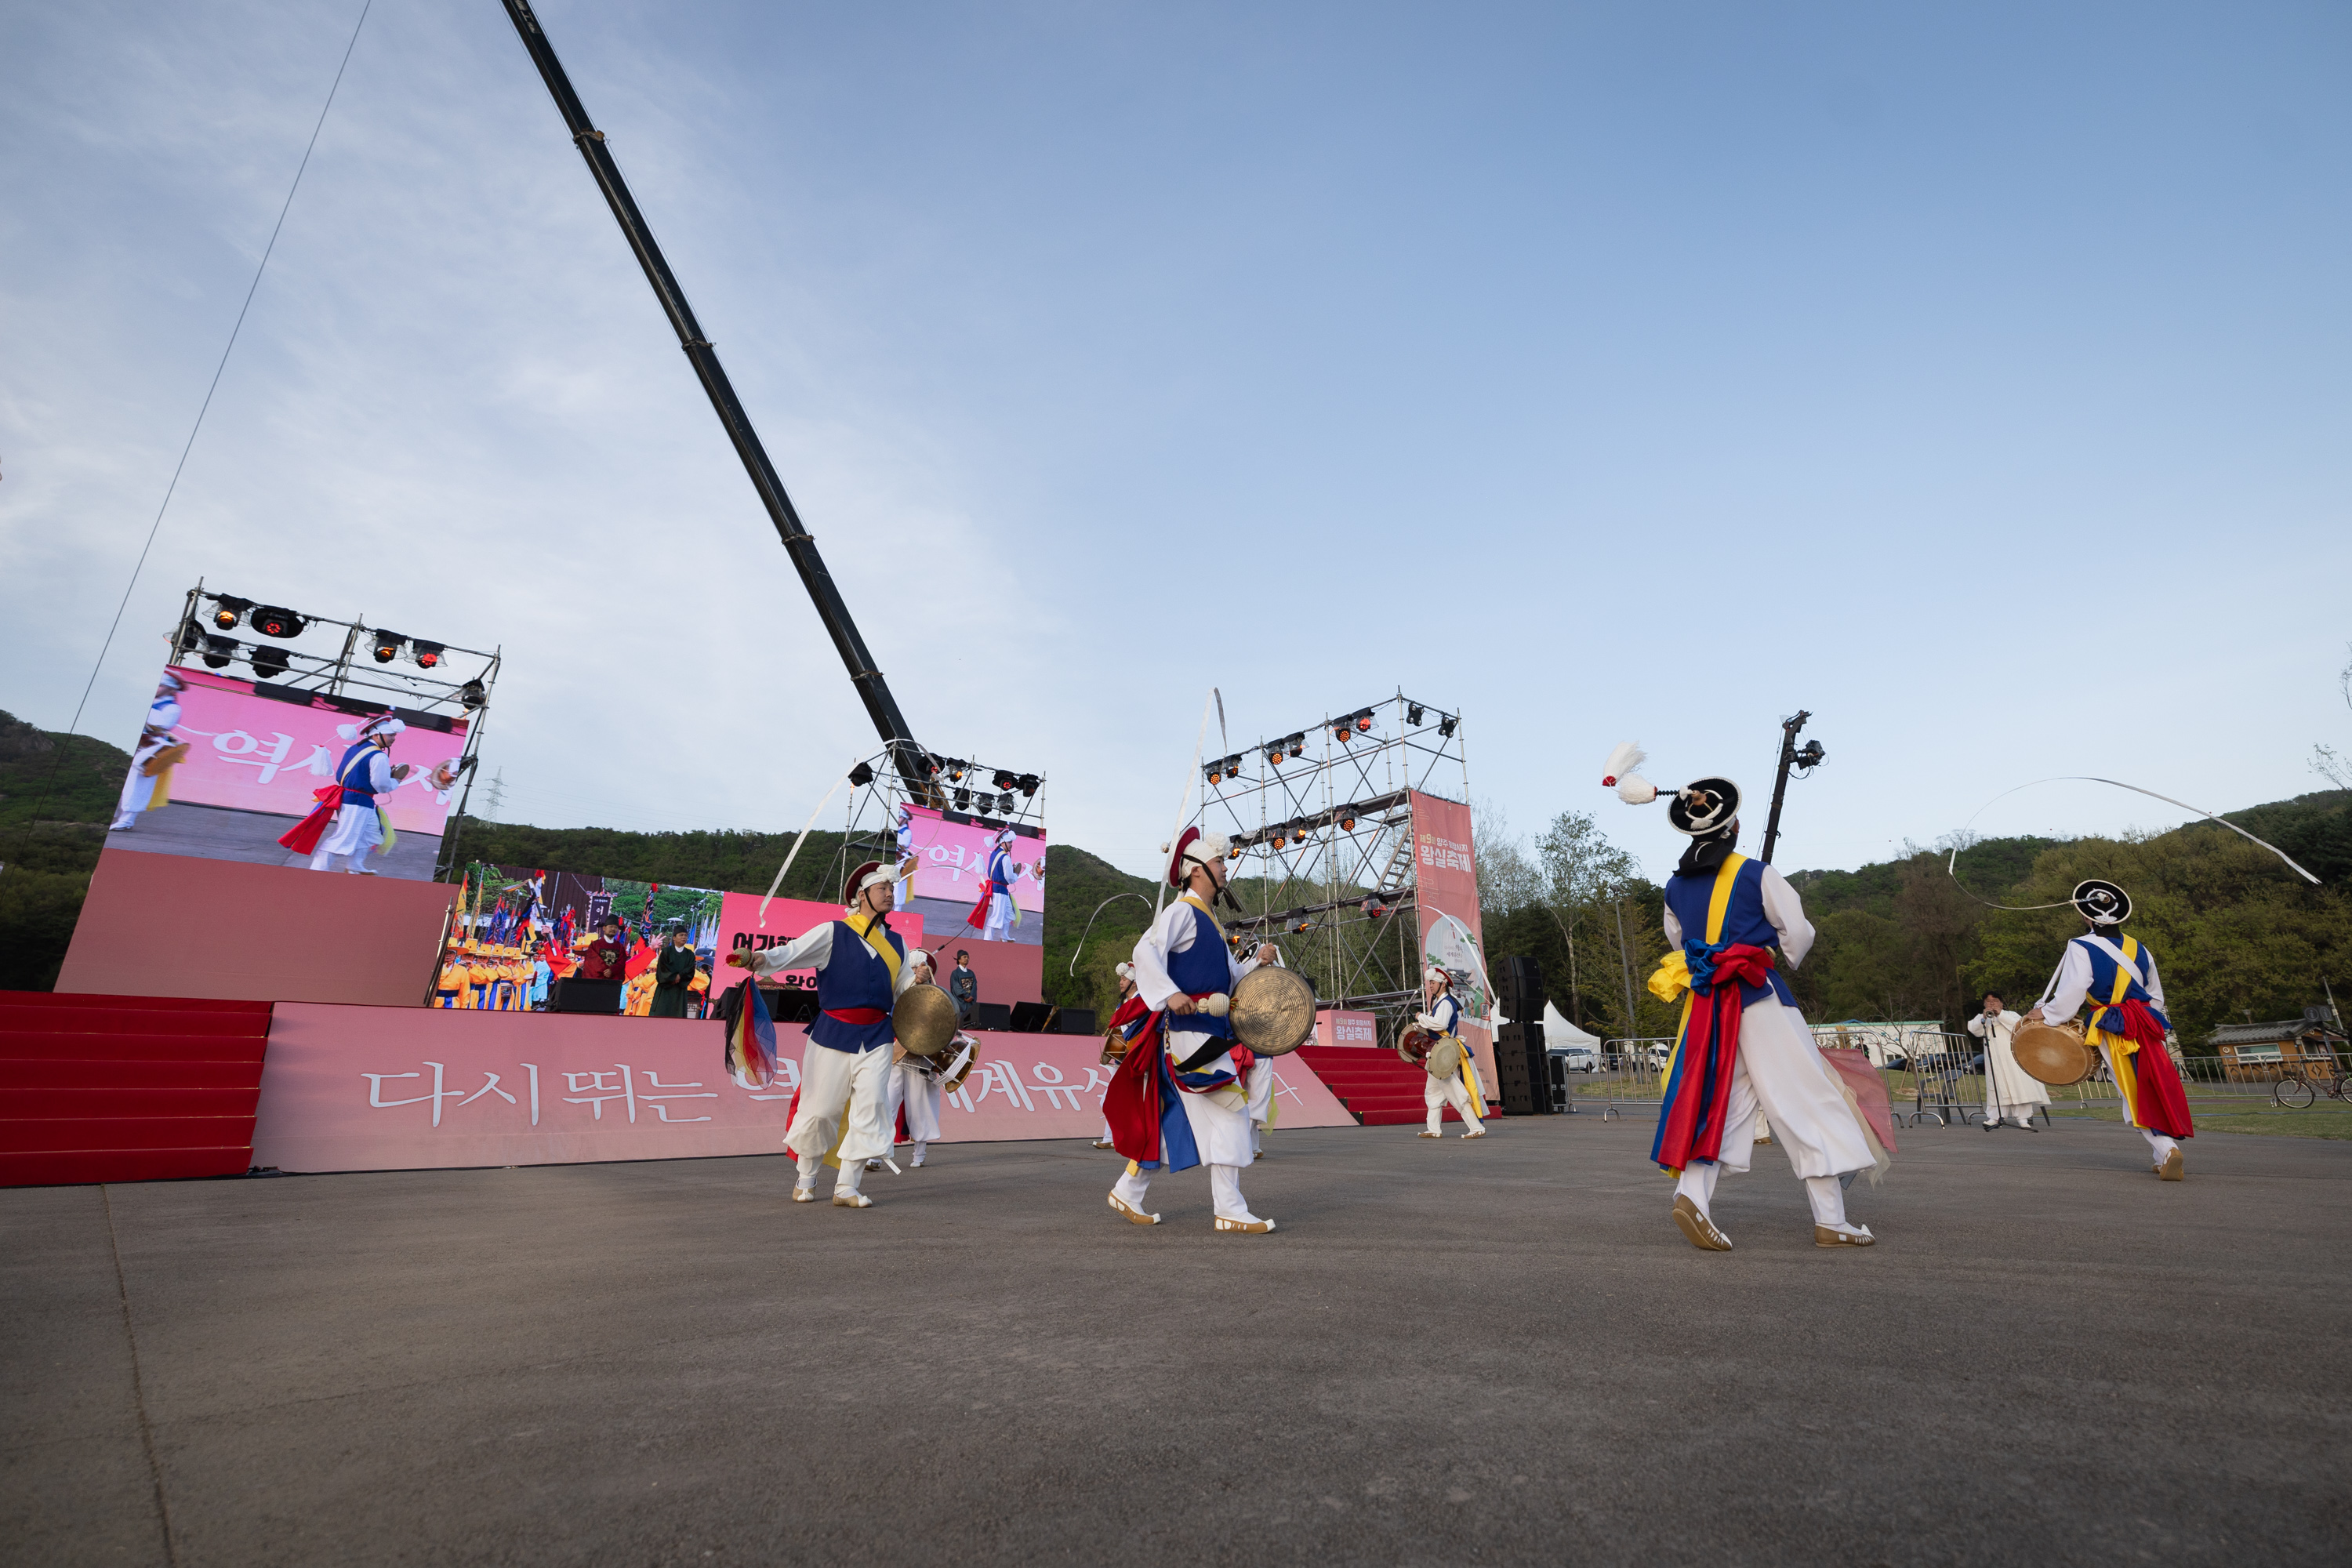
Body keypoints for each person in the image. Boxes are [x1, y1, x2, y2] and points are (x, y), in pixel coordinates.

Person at [1614, 765, 1882, 1251]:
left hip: (1708, 1005)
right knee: (1806, 1099)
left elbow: (1681, 941)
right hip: (1759, 998)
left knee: (1725, 1106)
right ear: (1732, 826)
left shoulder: (1674, 888)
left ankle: (1691, 1195)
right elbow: (1797, 932)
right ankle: (1832, 1220)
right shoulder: (1757, 872)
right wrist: (1778, 951)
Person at [1102, 827, 1280, 1233]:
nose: (1224, 869)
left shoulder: (1209, 920)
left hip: (1206, 1032)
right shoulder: (1182, 911)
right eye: (1219, 863)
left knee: (1175, 1121)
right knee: (1233, 1115)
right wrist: (1169, 993)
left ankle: (1129, 1190)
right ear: (1197, 871)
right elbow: (1144, 950)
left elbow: (1230, 978)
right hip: (1191, 1036)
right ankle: (1230, 1210)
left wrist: (1258, 964)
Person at [724, 862, 925, 1208]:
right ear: (862, 896)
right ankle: (806, 1179)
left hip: (878, 1035)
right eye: (883, 889)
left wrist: (916, 983)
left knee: (873, 1107)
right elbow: (792, 952)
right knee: (820, 1109)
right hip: (832, 1031)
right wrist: (759, 958)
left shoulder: (897, 943)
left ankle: (847, 1187)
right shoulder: (834, 931)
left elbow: (903, 988)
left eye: (892, 890)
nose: (891, 894)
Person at [2025, 880, 2193, 1179]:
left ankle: (2167, 1149)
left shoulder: (2081, 945)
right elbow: (2155, 995)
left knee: (2132, 1088)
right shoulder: (2140, 948)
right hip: (2147, 1023)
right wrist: (2148, 1019)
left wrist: (2048, 1013)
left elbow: (2075, 988)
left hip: (2114, 1024)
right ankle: (2161, 1155)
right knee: (2153, 1082)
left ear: (2085, 914)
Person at [289, 715, 411, 873]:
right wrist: (396, 780)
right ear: (376, 735)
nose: (394, 738)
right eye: (391, 735)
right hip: (357, 801)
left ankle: (355, 866)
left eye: (394, 735)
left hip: (355, 799)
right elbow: (381, 785)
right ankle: (317, 870)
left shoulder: (357, 748)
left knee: (372, 833)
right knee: (343, 839)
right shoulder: (378, 756)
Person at [1413, 966, 1488, 1141]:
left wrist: (1420, 1017)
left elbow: (1440, 1025)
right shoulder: (1441, 1003)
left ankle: (1476, 1127)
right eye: (1430, 982)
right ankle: (1433, 1129)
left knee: (1454, 1091)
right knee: (1432, 1092)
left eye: (1433, 982)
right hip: (1438, 1052)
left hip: (1444, 1054)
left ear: (1443, 984)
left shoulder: (1446, 1003)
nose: (1430, 985)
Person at [109, 675, 187, 831]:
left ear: (171, 689)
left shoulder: (172, 708)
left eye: (161, 685)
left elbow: (161, 726)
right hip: (131, 743)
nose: (157, 688)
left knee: (137, 785)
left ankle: (127, 820)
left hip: (151, 748)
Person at [1967, 992, 2048, 1131]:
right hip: (1995, 1059)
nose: (1992, 1003)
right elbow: (1975, 1030)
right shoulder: (1983, 1018)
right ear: (1984, 1004)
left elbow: (2019, 1026)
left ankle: (2023, 1118)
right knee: (1996, 1087)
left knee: (2019, 1086)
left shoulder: (2011, 1015)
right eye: (1988, 1001)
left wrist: (2000, 1015)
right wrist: (1984, 1016)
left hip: (2013, 1057)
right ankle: (1995, 1117)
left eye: (1995, 1000)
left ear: (2001, 1003)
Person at [1093, 961, 1144, 1149]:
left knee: (1130, 1099)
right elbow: (1117, 1032)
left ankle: (1125, 1137)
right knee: (1111, 1098)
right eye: (1120, 979)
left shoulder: (1142, 1002)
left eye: (1124, 979)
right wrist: (1108, 1053)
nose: (1120, 982)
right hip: (1123, 1057)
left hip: (1137, 1055)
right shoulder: (1122, 1003)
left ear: (1134, 982)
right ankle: (1110, 1138)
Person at [966, 828, 1028, 943]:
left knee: (1009, 913)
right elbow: (1009, 878)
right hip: (999, 890)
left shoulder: (995, 853)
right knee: (997, 917)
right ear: (1003, 842)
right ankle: (987, 940)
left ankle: (1004, 936)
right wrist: (1017, 875)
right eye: (1010, 843)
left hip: (999, 889)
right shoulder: (1005, 858)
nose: (1011, 845)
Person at [649, 928, 697, 1018]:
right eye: (681, 935)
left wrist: (680, 976)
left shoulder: (690, 954)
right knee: (661, 1015)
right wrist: (673, 977)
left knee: (678, 1016)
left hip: (680, 989)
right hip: (665, 988)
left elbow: (690, 969)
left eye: (686, 935)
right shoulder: (666, 952)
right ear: (674, 938)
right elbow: (662, 968)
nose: (684, 937)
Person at [948, 950, 979, 1025]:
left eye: (968, 957)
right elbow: (956, 987)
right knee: (960, 1023)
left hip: (970, 1001)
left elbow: (974, 985)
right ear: (959, 959)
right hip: (960, 1002)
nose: (967, 959)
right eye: (964, 957)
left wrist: (971, 996)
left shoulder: (971, 973)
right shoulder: (955, 973)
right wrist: (966, 995)